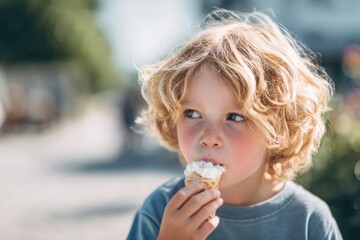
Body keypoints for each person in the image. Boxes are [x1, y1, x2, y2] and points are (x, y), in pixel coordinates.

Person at [127, 8, 343, 240]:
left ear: (279, 127)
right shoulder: (160, 212)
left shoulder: (309, 221)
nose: (208, 136)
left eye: (235, 117)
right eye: (191, 113)